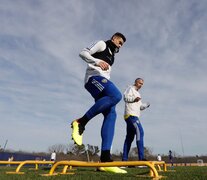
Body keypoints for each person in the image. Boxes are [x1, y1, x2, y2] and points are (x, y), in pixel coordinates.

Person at [71, 32, 126, 173]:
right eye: (119, 42)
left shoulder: (112, 56)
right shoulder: (102, 44)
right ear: (114, 38)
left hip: (102, 81)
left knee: (111, 114)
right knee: (116, 95)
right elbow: (83, 53)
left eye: (122, 45)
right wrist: (97, 62)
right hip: (93, 79)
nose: (120, 46)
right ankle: (81, 122)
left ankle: (105, 160)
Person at [122, 78, 150, 161]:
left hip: (134, 116)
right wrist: (133, 99)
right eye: (139, 83)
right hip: (131, 115)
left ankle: (124, 160)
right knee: (140, 132)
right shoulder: (130, 88)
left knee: (129, 138)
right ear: (135, 82)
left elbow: (140, 107)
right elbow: (125, 98)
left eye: (142, 84)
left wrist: (145, 105)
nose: (141, 85)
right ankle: (141, 159)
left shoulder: (138, 94)